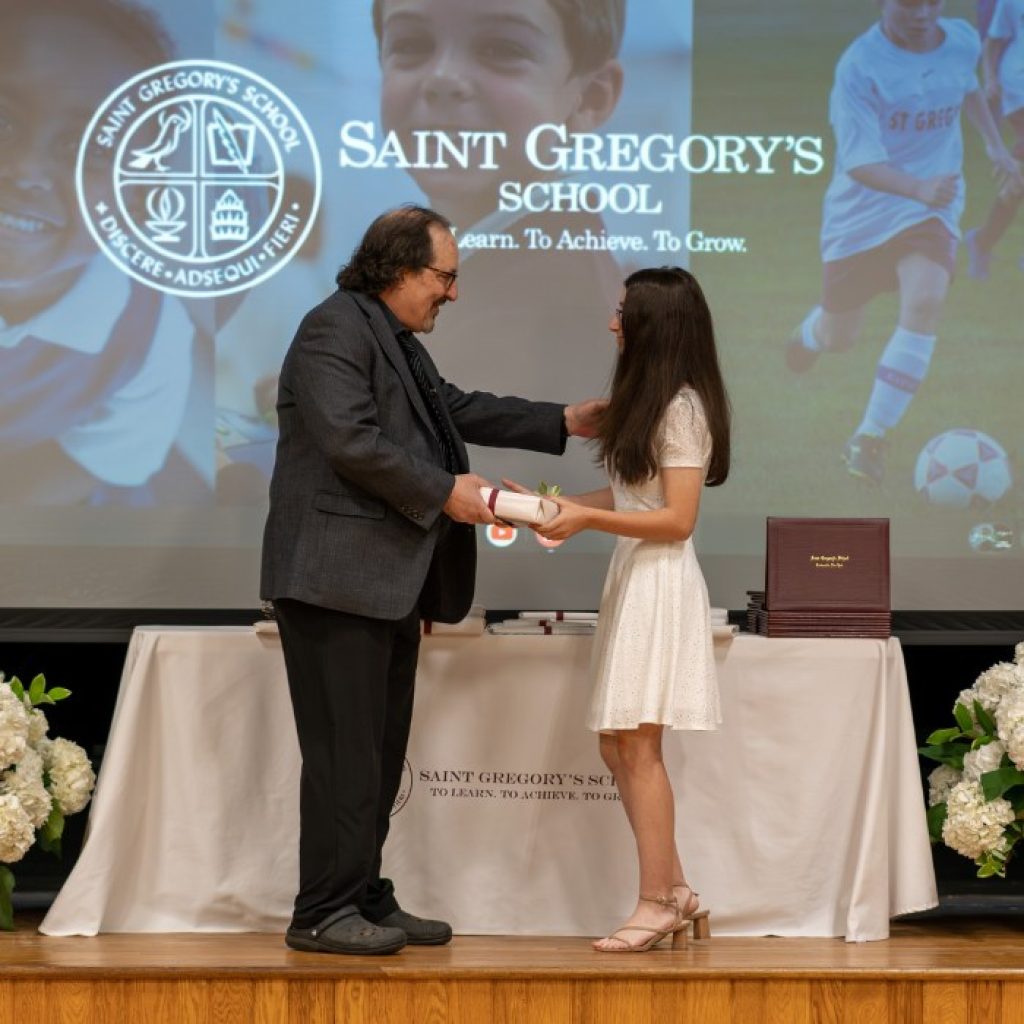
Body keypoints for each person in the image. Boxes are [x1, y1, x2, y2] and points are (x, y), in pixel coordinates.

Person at [260, 204, 603, 955]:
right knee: (345, 756)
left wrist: (565, 420)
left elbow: (451, 409)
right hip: (332, 582)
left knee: (377, 756)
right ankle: (321, 910)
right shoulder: (334, 330)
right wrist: (446, 491)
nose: (453, 293)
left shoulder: (389, 336)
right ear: (399, 268)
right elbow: (352, 441)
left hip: (382, 583)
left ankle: (362, 893)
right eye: (444, 277)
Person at [507, 266, 730, 952]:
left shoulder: (683, 409)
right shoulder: (652, 403)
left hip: (660, 581)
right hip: (635, 577)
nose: (612, 323)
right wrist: (555, 509)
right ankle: (679, 888)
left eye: (624, 312)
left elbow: (677, 520)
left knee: (637, 744)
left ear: (653, 325)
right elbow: (635, 501)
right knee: (619, 743)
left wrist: (583, 521)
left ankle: (657, 901)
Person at [784, 0, 1022, 485]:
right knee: (840, 337)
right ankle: (812, 333)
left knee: (926, 299)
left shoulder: (960, 39)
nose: (922, 13)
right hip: (862, 213)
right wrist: (916, 188)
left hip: (932, 205)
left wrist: (997, 148)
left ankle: (869, 438)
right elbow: (857, 162)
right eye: (910, 3)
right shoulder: (860, 66)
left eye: (932, 2)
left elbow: (966, 86)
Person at [371, 0, 628, 432]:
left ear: (591, 98)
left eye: (503, 49)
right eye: (412, 45)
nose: (442, 80)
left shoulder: (555, 304)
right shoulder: (474, 265)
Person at [0, 0, 208, 504]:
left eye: (86, 148)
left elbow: (95, 464)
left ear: (136, 197)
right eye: (4, 121)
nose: (24, 167)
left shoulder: (150, 332)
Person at [964, 0, 1024, 279]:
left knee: (1018, 181)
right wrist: (990, 79)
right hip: (1019, 88)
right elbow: (993, 42)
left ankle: (982, 241)